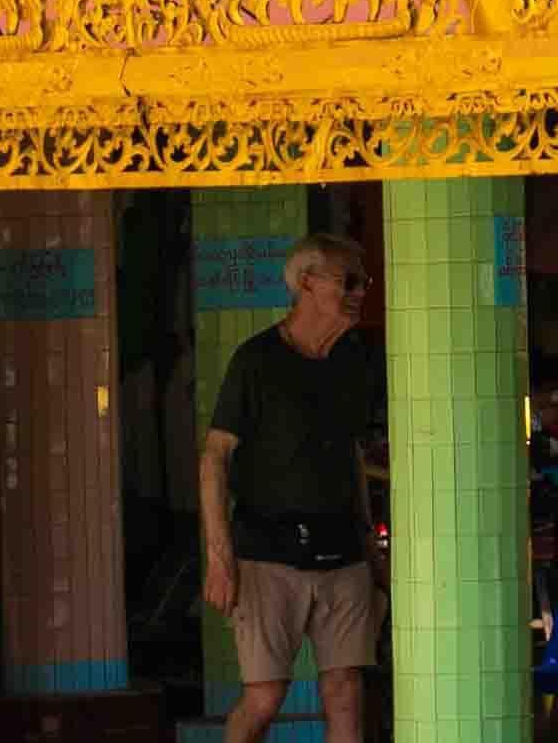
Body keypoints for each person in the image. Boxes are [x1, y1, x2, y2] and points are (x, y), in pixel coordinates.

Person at [204, 236, 391, 743]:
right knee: (264, 697)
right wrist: (220, 557)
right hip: (266, 551)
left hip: (342, 550)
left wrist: (369, 545)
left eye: (364, 282)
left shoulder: (353, 360)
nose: (359, 293)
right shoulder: (256, 360)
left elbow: (350, 454)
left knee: (346, 689)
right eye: (349, 282)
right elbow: (214, 457)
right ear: (307, 282)